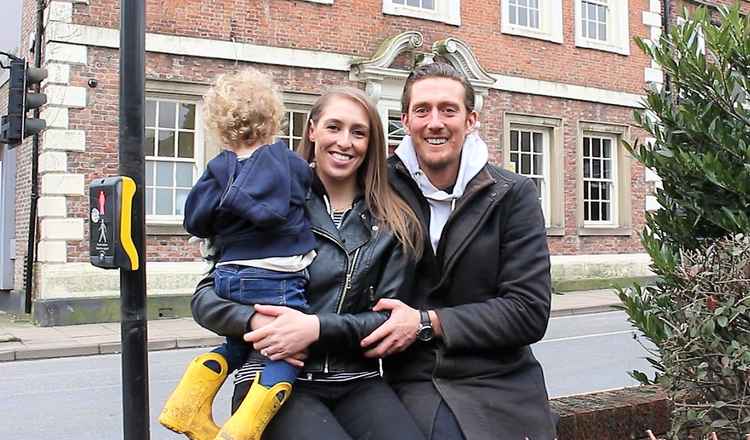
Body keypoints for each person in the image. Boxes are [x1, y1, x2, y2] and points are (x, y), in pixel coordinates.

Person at [190, 87, 427, 440]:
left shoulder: (393, 221)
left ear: (371, 142)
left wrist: (315, 328)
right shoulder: (269, 200)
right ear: (312, 130)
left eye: (358, 132)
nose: (345, 142)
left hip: (356, 378)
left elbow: (387, 319)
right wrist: (257, 321)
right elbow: (207, 297)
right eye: (334, 127)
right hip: (270, 377)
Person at [358, 62, 557, 439]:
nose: (435, 122)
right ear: (405, 120)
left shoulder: (512, 194)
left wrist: (426, 322)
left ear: (470, 120)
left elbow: (528, 311)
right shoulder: (377, 189)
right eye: (423, 110)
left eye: (448, 110)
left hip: (501, 379)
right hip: (416, 379)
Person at [159, 67, 317, 440]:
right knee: (286, 350)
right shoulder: (291, 164)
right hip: (279, 275)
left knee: (237, 342)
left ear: (220, 123)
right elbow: (305, 198)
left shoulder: (218, 170)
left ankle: (187, 402)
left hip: (229, 275)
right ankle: (243, 430)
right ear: (272, 116)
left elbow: (195, 220)